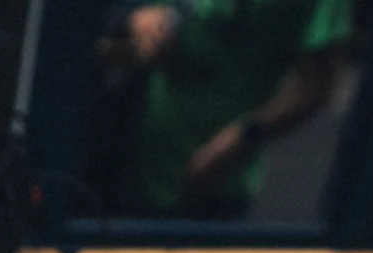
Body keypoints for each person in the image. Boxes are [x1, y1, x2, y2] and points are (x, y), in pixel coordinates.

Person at [93, 0, 353, 218]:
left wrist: (241, 138)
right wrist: (137, 19)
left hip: (215, 182)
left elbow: (316, 86)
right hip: (127, 159)